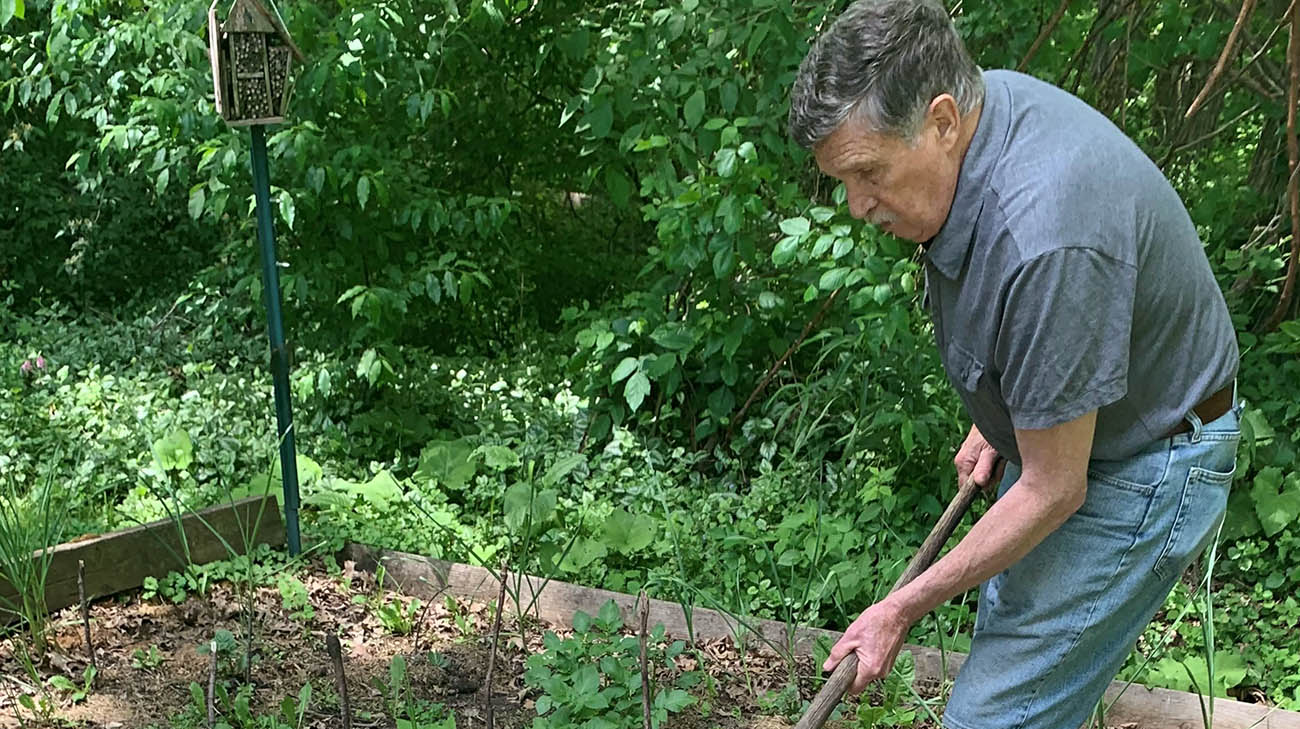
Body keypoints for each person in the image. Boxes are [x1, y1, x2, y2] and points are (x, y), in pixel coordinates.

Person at [786, 1, 1242, 727]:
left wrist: (898, 608)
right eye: (842, 180)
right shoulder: (975, 121)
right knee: (1018, 648)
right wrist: (1010, 420)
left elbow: (1056, 486)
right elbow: (1034, 338)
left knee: (996, 716)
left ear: (940, 120)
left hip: (1147, 458)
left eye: (868, 173)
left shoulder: (1046, 233)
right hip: (1084, 442)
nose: (855, 205)